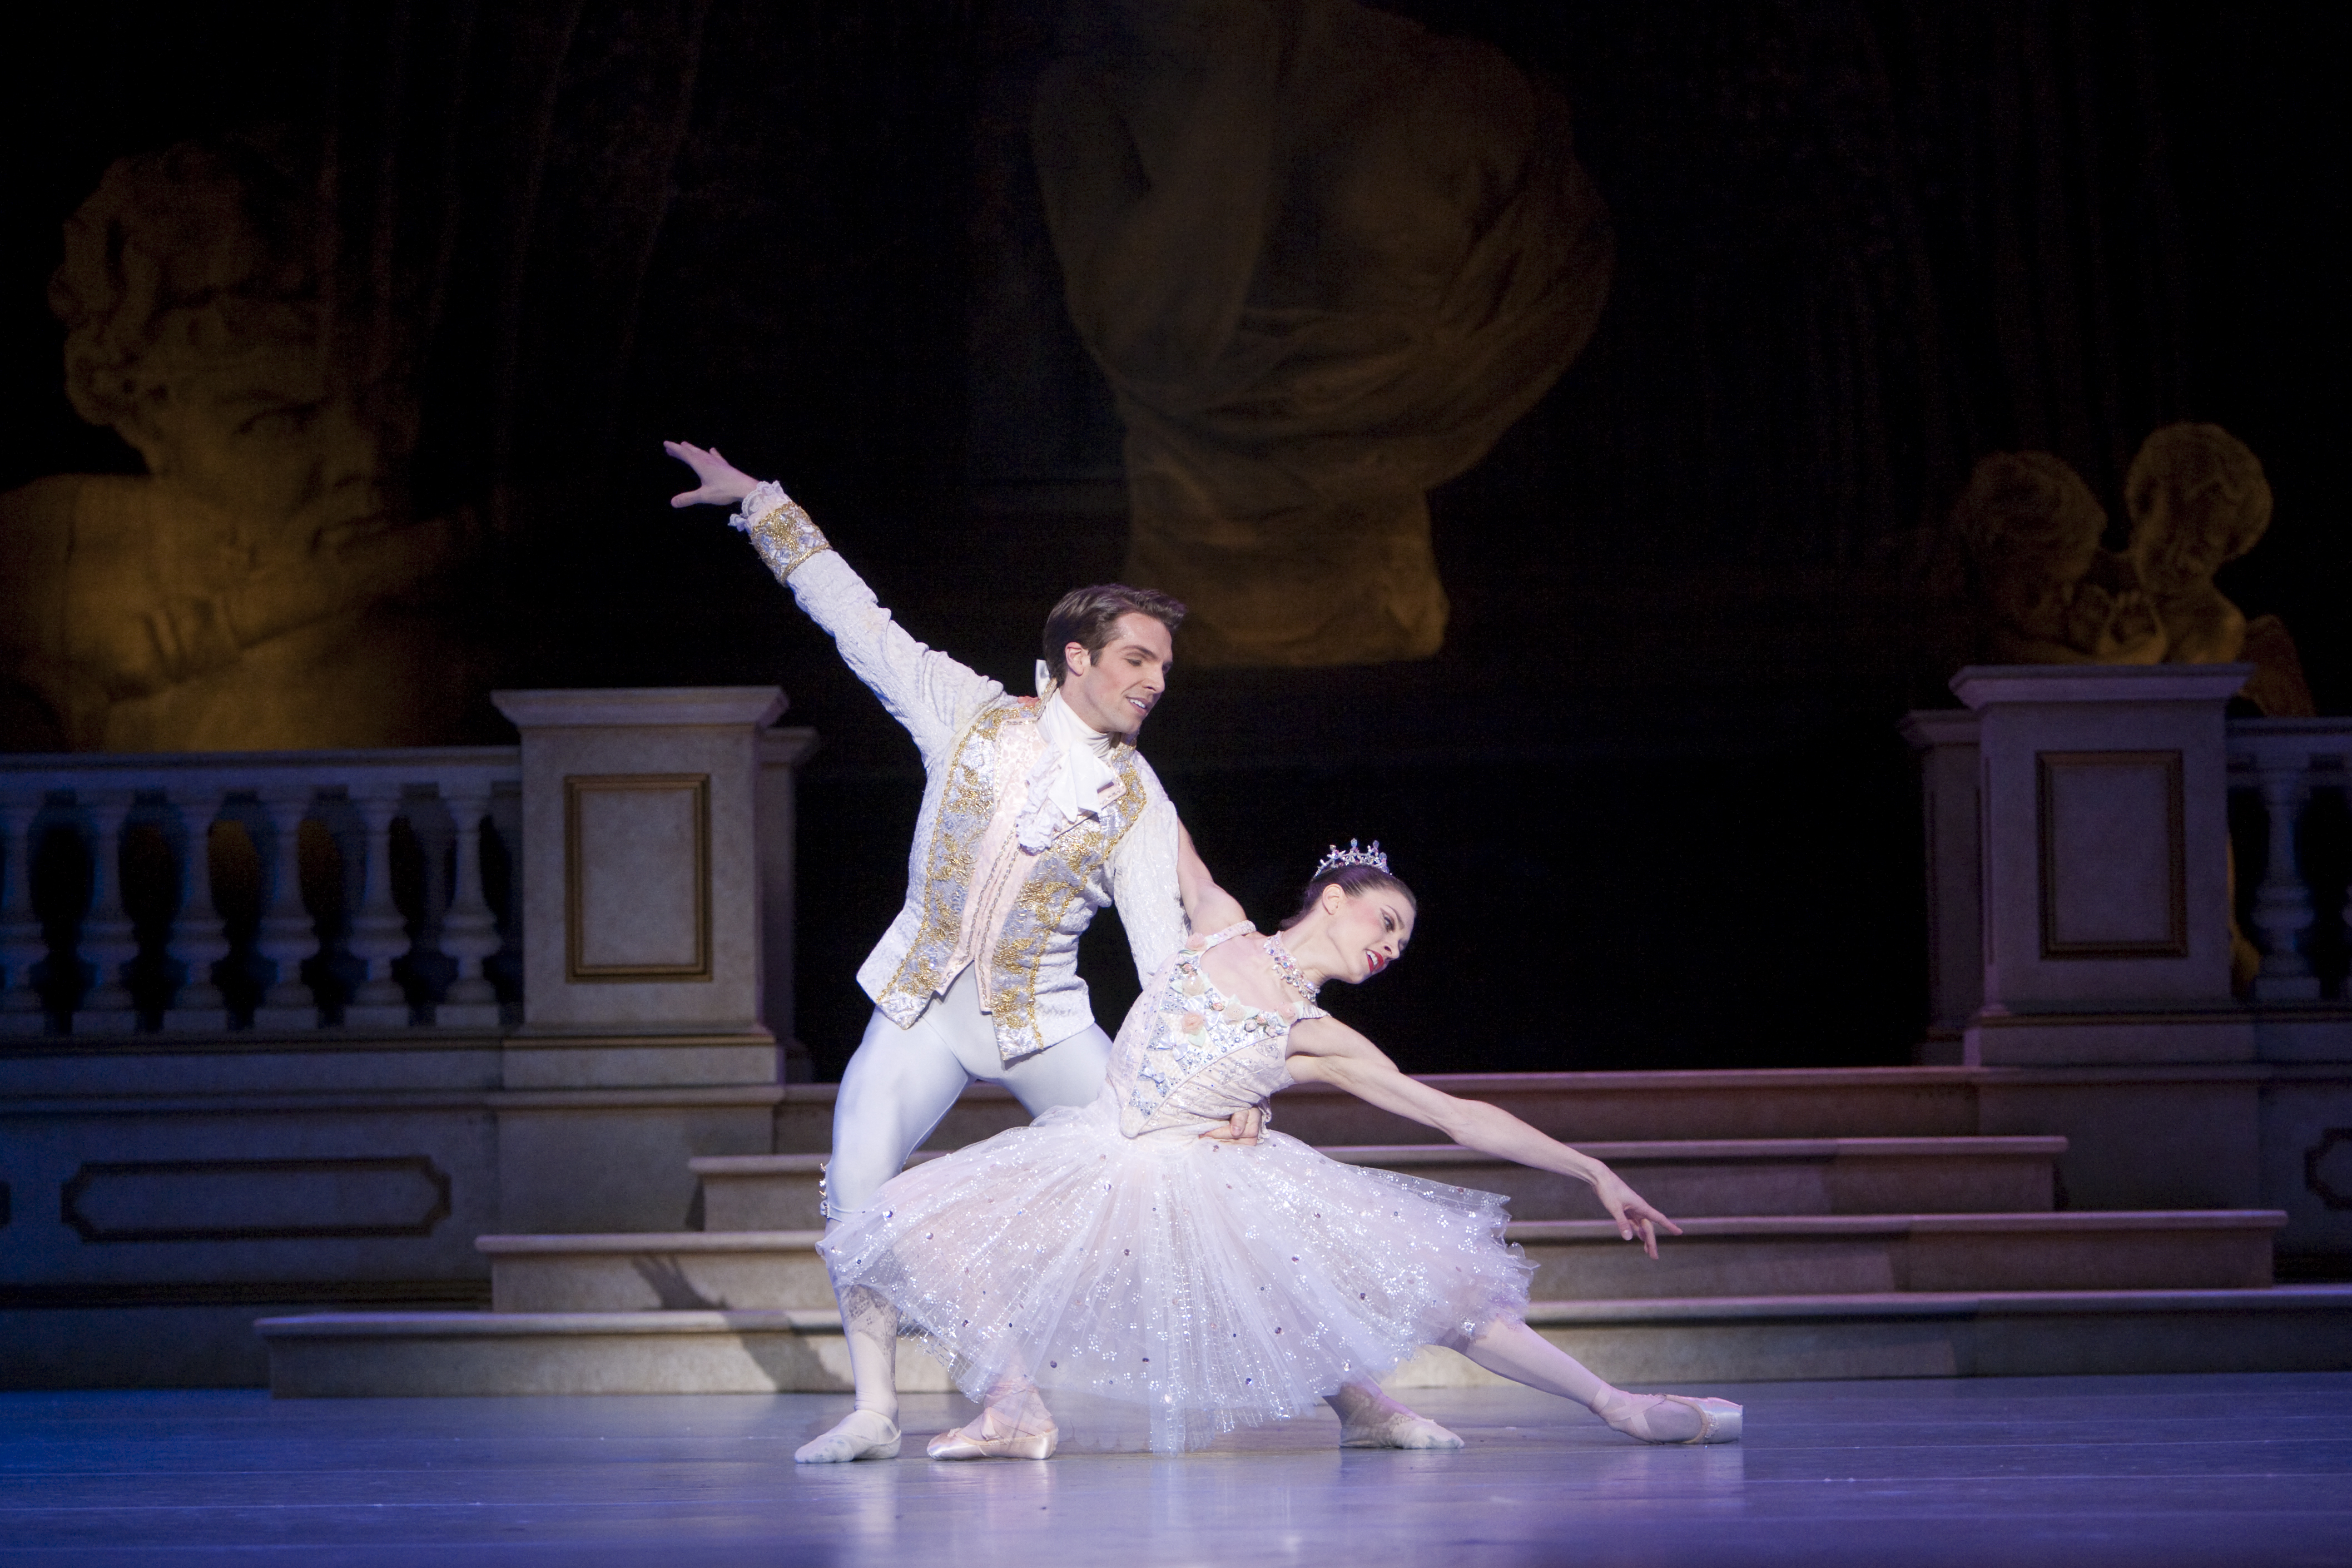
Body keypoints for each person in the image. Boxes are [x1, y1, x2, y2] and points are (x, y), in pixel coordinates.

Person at [663, 443, 1463, 1462]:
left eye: (1165, 667)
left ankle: (1356, 1398)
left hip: (1045, 1026)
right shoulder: (966, 714)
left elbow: (1164, 955)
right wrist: (765, 503)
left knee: (1194, 1201)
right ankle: (900, 1408)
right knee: (857, 1187)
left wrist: (1216, 1081)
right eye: (1138, 659)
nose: (1156, 682)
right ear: (1076, 657)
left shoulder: (1136, 798)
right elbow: (857, 622)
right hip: (921, 1011)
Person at [820, 843, 1744, 1456]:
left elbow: (1454, 1116)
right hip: (1096, 1151)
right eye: (1386, 924)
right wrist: (1093, 717)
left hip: (1201, 1177)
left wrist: (1592, 1170)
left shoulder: (1317, 1035)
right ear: (1334, 900)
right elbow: (1156, 817)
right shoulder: (1215, 926)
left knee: (1425, 1284)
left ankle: (1611, 1405)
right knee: (905, 1217)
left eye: (1405, 943)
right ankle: (1014, 1406)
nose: (1393, 948)